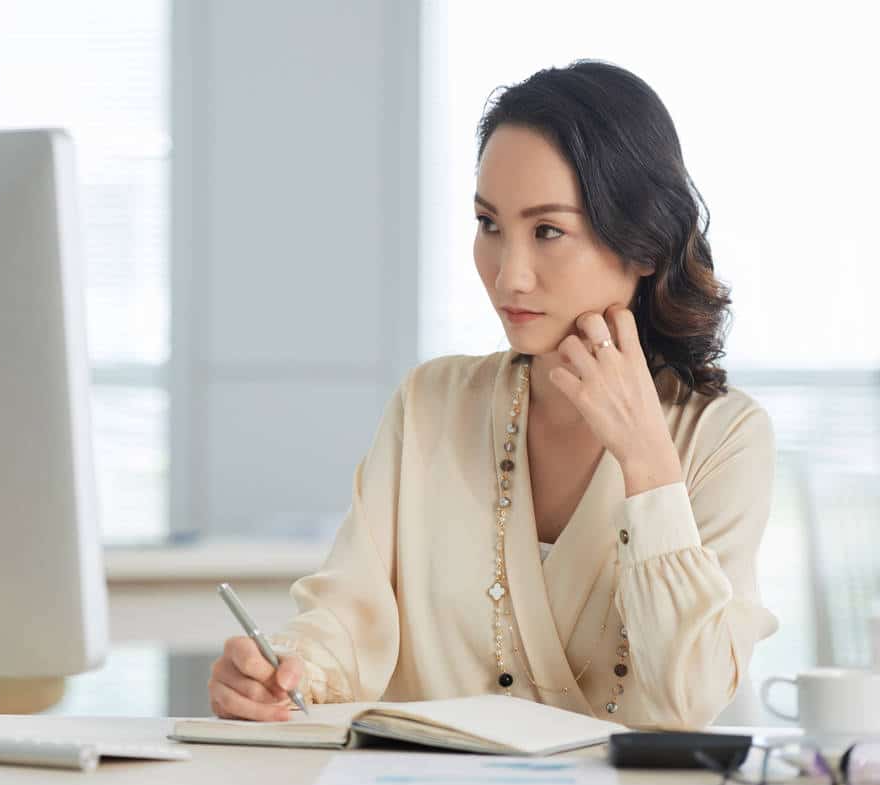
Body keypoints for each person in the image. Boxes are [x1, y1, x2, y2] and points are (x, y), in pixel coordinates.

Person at [206, 60, 779, 731]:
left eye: (547, 230)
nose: (509, 273)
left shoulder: (724, 437)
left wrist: (647, 460)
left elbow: (691, 697)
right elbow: (348, 618)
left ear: (644, 242)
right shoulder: (432, 403)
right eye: (489, 224)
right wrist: (283, 670)